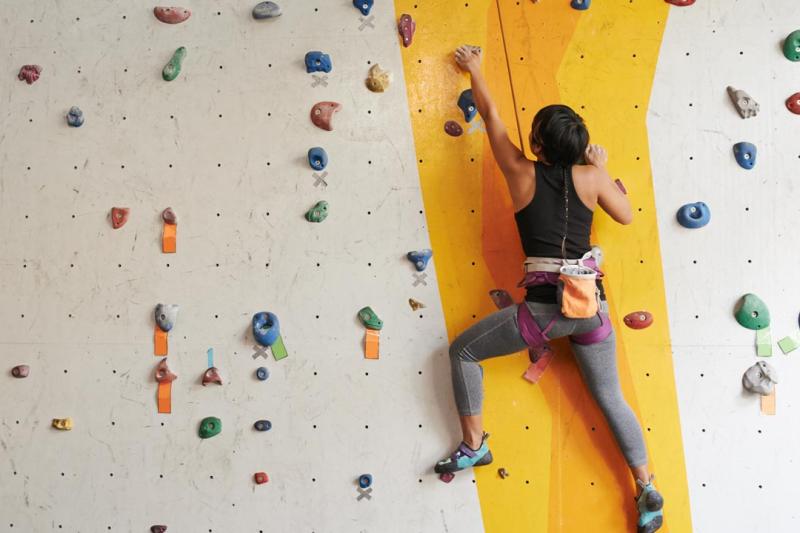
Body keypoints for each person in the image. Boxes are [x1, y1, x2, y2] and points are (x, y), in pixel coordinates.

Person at [434, 45, 664, 533]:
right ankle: (646, 487)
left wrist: (475, 68)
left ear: (537, 144)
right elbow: (624, 214)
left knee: (461, 352)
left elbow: (492, 115)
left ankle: (476, 445)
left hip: (546, 311)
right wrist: (597, 166)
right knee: (611, 397)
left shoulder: (520, 173)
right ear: (577, 146)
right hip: (592, 310)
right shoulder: (591, 175)